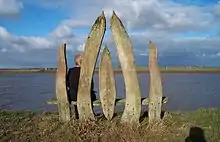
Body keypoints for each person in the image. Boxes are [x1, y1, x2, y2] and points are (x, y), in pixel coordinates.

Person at [66, 53, 96, 118]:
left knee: (74, 92)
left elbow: (68, 84)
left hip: (73, 96)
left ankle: (77, 113)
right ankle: (90, 113)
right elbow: (91, 86)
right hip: (86, 95)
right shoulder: (86, 71)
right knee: (91, 94)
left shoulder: (70, 71)